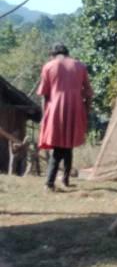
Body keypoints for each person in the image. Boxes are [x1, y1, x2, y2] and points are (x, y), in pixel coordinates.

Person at [37, 44, 92, 191]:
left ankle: (49, 182)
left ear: (53, 55)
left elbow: (44, 95)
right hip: (76, 108)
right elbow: (88, 93)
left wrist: (44, 116)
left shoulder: (49, 66)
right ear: (67, 53)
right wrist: (86, 111)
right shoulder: (80, 66)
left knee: (58, 147)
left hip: (55, 108)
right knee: (68, 145)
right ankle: (65, 179)